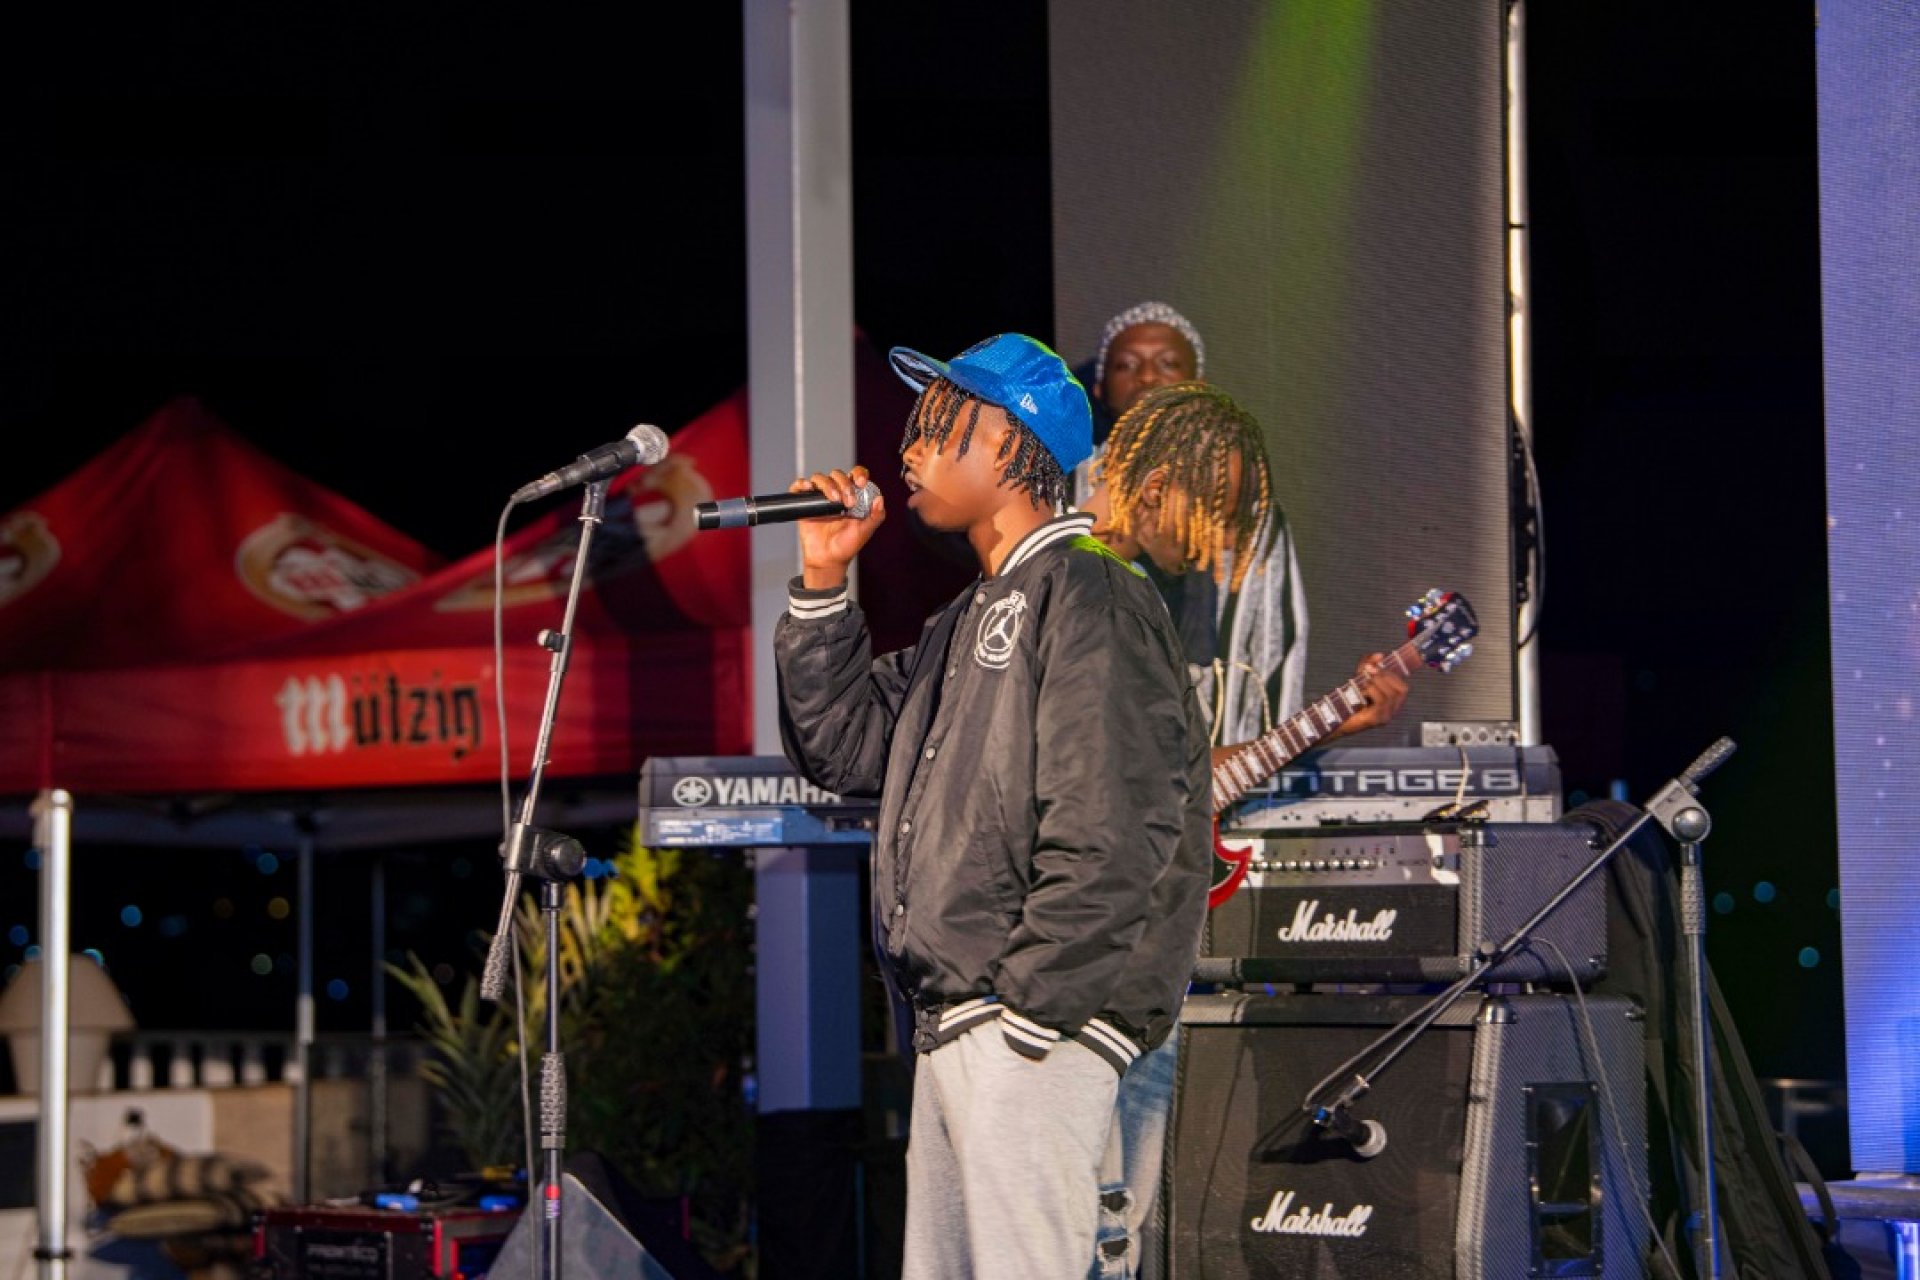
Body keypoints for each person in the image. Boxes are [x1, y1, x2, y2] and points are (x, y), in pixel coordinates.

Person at [773, 333, 1214, 1279]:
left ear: (1014, 443)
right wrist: (823, 581)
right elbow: (844, 747)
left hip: (1032, 1019)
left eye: (940, 427)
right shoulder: (966, 619)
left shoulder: (1092, 592)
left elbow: (1114, 826)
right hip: (962, 1018)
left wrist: (1033, 1010)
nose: (909, 451)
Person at [1075, 379, 1410, 1279]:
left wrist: (1331, 722)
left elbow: (1181, 780)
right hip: (1078, 961)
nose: (1221, 541)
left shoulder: (1139, 599)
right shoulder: (1076, 587)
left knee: (1120, 1223)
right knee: (1076, 1212)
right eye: (1214, 510)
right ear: (1156, 485)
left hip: (1141, 961)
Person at [1074, 301, 1311, 748]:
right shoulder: (1064, 482)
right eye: (1127, 365)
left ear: (1198, 387)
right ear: (1101, 390)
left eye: (1168, 364)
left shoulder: (1250, 499)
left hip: (1223, 759)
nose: (1147, 377)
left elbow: (1271, 638)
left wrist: (1263, 752)